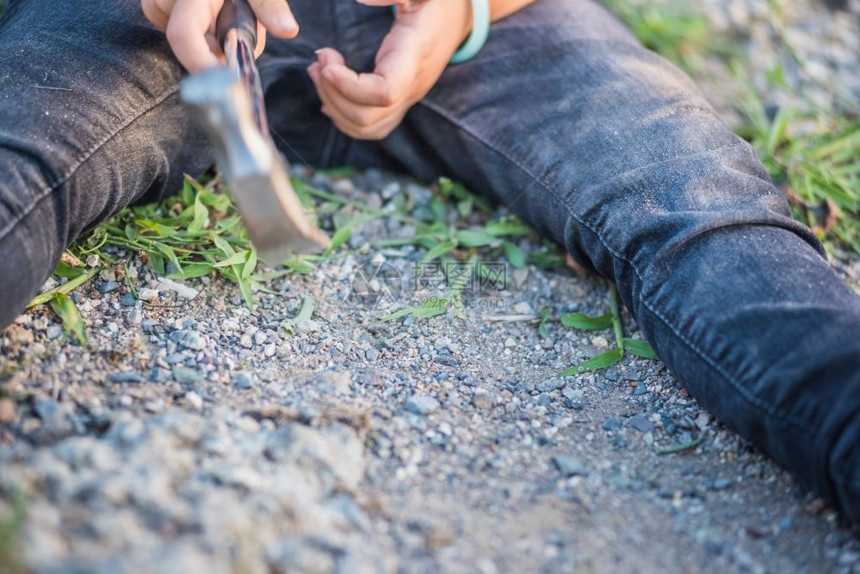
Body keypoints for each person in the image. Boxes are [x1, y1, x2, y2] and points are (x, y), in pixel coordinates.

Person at [0, 0, 858, 524]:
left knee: (695, 200)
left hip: (494, 28)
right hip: (141, 16)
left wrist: (463, 9)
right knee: (18, 166)